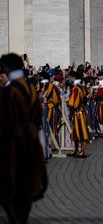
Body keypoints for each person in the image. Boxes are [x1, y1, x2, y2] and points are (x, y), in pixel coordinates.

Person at [0, 53, 47, 223]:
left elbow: (5, 122)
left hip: (14, 145)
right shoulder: (31, 90)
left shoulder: (9, 91)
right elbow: (37, 118)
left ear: (7, 68)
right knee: (27, 190)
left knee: (8, 190)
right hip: (32, 144)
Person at [67, 71, 89, 158]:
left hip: (78, 111)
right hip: (80, 110)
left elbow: (73, 103)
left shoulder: (76, 88)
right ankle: (76, 150)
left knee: (81, 130)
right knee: (75, 131)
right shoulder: (81, 87)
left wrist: (69, 103)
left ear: (73, 77)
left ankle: (83, 151)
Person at [40, 71, 61, 151]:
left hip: (41, 108)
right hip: (50, 108)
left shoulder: (39, 85)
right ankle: (52, 144)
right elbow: (56, 100)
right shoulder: (52, 86)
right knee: (52, 126)